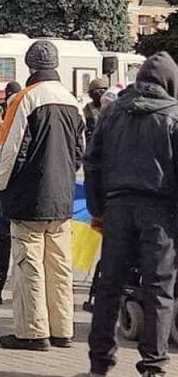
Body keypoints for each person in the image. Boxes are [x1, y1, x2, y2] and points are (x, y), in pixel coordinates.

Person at [85, 52, 178, 377]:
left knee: (110, 286)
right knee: (159, 289)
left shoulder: (112, 114)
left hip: (117, 208)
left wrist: (98, 211)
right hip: (161, 214)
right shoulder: (174, 116)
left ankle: (99, 363)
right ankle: (153, 365)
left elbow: (92, 162)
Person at [0, 40, 85, 351]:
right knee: (59, 266)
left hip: (29, 197)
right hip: (61, 197)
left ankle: (33, 332)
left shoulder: (24, 99)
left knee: (28, 264)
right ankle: (63, 330)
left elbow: (11, 148)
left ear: (30, 67)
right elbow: (79, 151)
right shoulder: (72, 101)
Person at [0, 81, 21, 305]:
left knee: (2, 248)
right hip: (13, 196)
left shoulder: (1, 122)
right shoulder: (18, 121)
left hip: (3, 194)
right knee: (8, 247)